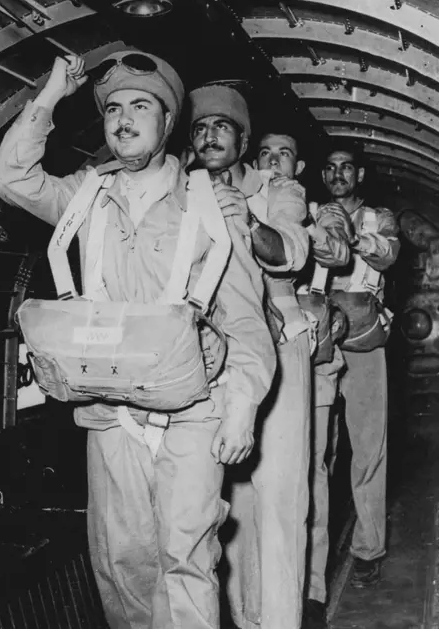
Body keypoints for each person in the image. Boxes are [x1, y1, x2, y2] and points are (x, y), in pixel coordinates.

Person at [0, 47, 276, 629]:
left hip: (195, 410)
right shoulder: (86, 194)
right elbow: (9, 177)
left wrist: (242, 405)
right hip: (109, 414)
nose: (123, 119)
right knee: (123, 563)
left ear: (168, 123)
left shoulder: (210, 203)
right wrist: (49, 96)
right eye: (113, 108)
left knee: (186, 557)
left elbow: (246, 319)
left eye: (141, 106)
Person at [188, 83, 313, 629]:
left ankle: (283, 619)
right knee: (226, 501)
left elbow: (290, 251)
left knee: (280, 495)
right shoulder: (180, 188)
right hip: (209, 357)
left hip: (280, 348)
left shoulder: (274, 189)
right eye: (199, 127)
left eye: (222, 127)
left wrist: (249, 221)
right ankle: (242, 618)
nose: (209, 136)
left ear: (242, 142)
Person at [303, 141, 400, 629]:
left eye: (347, 168)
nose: (338, 175)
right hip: (318, 339)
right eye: (331, 168)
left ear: (359, 174)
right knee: (314, 455)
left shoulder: (378, 218)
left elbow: (385, 255)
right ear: (322, 174)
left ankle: (368, 549)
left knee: (368, 448)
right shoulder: (306, 212)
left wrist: (348, 235)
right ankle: (311, 577)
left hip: (364, 340)